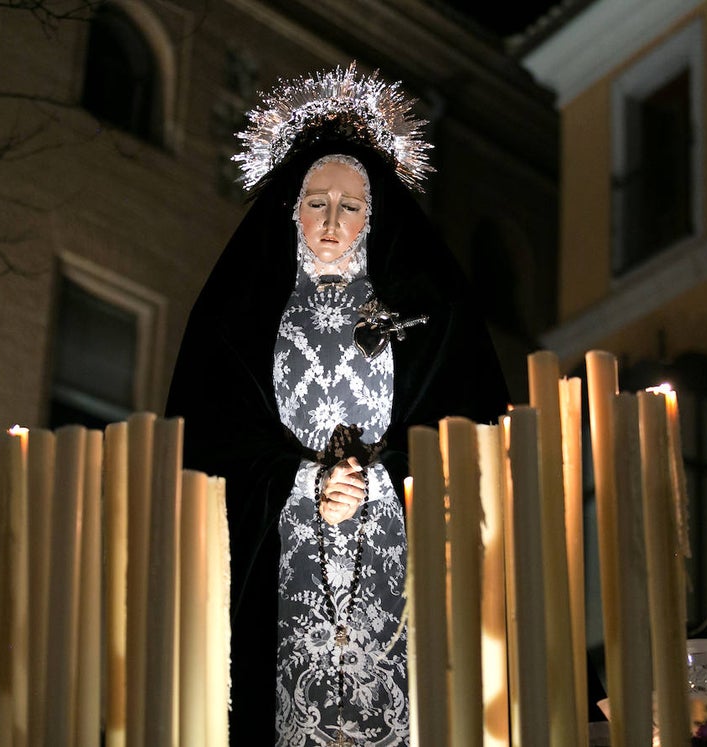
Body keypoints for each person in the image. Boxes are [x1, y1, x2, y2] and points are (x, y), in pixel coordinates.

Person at [166, 64, 509, 746]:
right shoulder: (243, 318)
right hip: (279, 557)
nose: (330, 220)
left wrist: (381, 478)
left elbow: (468, 430)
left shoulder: (423, 313)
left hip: (398, 558)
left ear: (374, 217)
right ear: (291, 208)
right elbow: (210, 442)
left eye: (350, 205)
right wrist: (302, 481)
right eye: (315, 201)